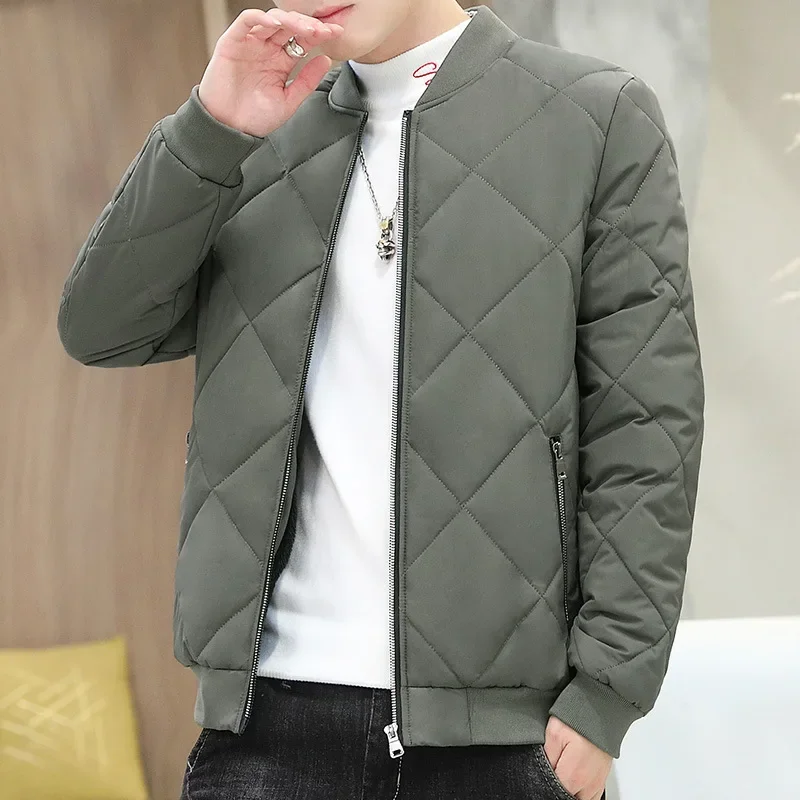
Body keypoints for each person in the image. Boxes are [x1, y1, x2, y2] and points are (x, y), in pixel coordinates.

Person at [57, 1, 705, 798]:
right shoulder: (251, 132)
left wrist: (605, 694)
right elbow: (103, 329)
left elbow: (646, 432)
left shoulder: (594, 116)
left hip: (506, 738)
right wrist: (210, 128)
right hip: (267, 725)